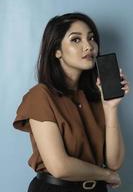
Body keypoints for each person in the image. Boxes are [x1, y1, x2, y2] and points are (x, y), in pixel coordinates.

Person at [13, 12, 129, 192]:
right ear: (56, 51)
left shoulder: (95, 96)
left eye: (91, 38)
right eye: (76, 40)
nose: (88, 46)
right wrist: (106, 175)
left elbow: (114, 162)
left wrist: (110, 107)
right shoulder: (41, 96)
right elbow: (59, 167)